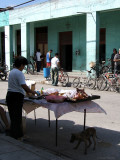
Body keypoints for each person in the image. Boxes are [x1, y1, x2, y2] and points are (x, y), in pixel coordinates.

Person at [6, 56, 39, 140]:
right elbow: (23, 85)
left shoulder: (12, 72)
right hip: (16, 96)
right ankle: (18, 136)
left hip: (10, 95)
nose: (24, 67)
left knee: (13, 116)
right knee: (17, 117)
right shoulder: (19, 73)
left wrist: (29, 92)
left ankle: (14, 134)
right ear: (21, 65)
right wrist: (32, 92)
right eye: (24, 66)